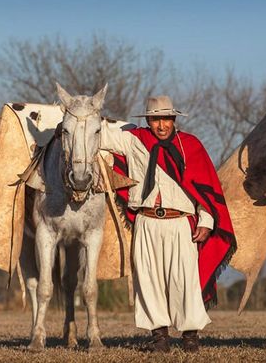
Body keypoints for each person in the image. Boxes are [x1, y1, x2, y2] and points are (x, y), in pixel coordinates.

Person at [100, 96, 236, 353]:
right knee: (148, 279)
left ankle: (190, 336)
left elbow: (204, 187)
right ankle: (159, 337)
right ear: (148, 121)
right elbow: (95, 133)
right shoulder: (133, 140)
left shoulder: (190, 145)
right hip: (146, 220)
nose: (161, 125)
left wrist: (206, 221)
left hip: (180, 222)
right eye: (155, 119)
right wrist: (77, 112)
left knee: (184, 280)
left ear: (173, 120)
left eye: (166, 119)